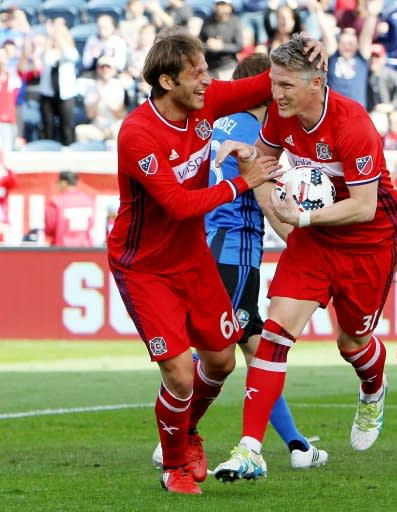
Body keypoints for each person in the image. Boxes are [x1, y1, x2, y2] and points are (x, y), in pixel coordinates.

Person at [107, 26, 325, 495]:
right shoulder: (138, 134)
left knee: (222, 362)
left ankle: (186, 433)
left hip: (193, 258)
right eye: (198, 73)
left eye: (208, 71)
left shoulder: (206, 104)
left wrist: (304, 54)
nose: (209, 81)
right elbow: (178, 205)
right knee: (180, 372)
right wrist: (245, 180)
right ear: (167, 82)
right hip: (144, 266)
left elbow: (266, 81)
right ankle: (175, 467)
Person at [212, 33, 397, 482]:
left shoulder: (353, 124)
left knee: (352, 343)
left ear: (316, 83)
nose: (274, 95)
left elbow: (363, 206)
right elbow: (261, 162)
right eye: (272, 85)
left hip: (366, 241)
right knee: (274, 335)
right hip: (314, 240)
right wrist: (255, 175)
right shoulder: (280, 116)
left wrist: (301, 221)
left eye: (284, 86)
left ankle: (374, 387)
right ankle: (250, 449)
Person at [44, 170, 95, 247]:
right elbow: (91, 224)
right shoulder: (88, 201)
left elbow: (49, 228)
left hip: (62, 249)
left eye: (58, 182)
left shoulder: (56, 202)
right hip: (85, 248)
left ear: (64, 183)